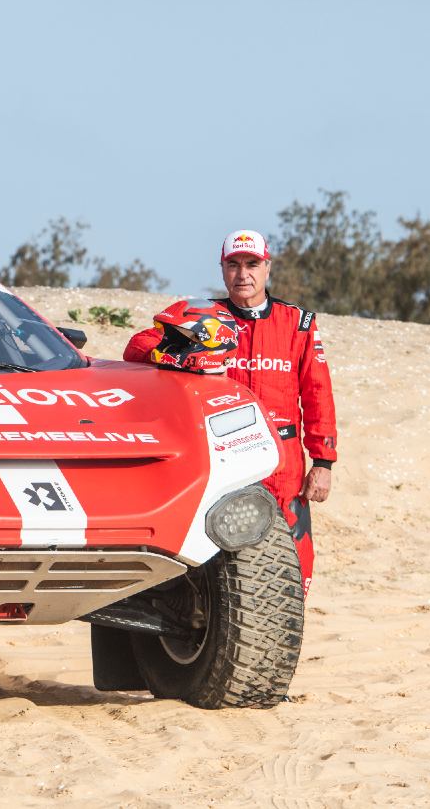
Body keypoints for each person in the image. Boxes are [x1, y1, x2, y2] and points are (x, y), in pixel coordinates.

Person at [124, 229, 337, 596]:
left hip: (283, 460)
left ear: (267, 267)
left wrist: (324, 461)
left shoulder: (298, 323)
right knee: (216, 554)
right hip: (221, 454)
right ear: (222, 269)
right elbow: (137, 346)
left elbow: (318, 394)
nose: (243, 274)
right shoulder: (202, 315)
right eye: (233, 265)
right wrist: (178, 355)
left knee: (292, 559)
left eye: (252, 264)